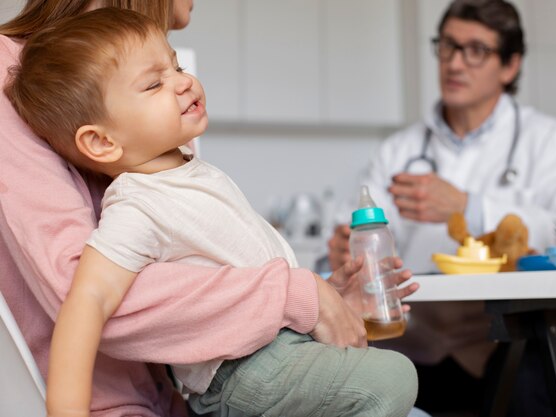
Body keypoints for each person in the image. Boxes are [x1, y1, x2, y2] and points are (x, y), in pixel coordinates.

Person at [0, 1, 419, 417]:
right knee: (393, 379)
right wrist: (67, 409)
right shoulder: (137, 204)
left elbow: (231, 266)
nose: (184, 83)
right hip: (244, 370)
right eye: (153, 84)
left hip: (266, 351)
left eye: (177, 68)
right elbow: (85, 298)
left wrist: (325, 302)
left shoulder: (185, 168)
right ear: (102, 142)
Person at [327, 0, 556, 416]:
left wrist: (469, 209)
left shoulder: (553, 143)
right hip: (417, 344)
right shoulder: (400, 149)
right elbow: (359, 230)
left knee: (530, 384)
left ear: (510, 66)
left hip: (510, 341)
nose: (455, 63)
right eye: (448, 46)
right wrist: (347, 248)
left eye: (476, 50)